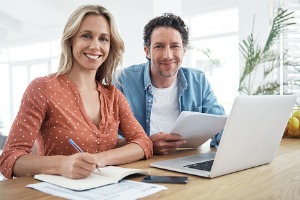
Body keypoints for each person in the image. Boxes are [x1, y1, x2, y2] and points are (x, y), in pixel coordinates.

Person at [0, 5, 153, 180]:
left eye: (103, 39)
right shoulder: (42, 88)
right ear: (71, 40)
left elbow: (143, 143)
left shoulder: (114, 96)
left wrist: (100, 159)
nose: (95, 46)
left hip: (107, 190)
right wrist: (62, 165)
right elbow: (9, 158)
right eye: (86, 36)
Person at [114, 13, 225, 155]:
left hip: (186, 160)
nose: (167, 55)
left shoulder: (198, 81)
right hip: (140, 164)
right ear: (147, 51)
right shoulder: (122, 81)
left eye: (175, 46)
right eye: (159, 46)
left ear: (184, 50)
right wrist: (147, 144)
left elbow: (221, 127)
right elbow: (108, 138)